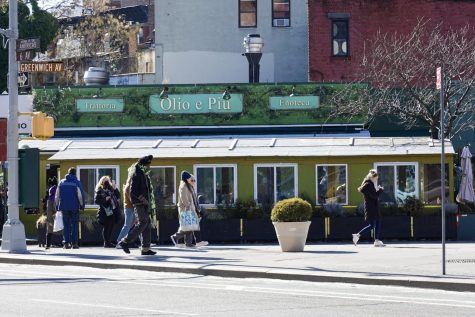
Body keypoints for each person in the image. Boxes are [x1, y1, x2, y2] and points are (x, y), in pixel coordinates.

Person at [118, 155, 156, 255]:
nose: (149, 167)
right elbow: (132, 191)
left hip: (145, 203)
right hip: (139, 203)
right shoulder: (137, 173)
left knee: (146, 223)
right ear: (144, 164)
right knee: (143, 222)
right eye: (148, 165)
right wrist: (143, 200)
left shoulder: (144, 173)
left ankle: (145, 248)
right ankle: (125, 241)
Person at [170, 171, 208, 248]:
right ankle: (175, 237)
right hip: (186, 209)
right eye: (188, 178)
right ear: (185, 178)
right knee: (188, 226)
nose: (189, 179)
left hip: (189, 209)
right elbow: (183, 197)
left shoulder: (187, 186)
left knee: (189, 226)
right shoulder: (183, 186)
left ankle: (188, 243)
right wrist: (188, 206)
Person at [352, 169, 385, 247]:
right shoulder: (368, 185)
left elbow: (372, 195)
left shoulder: (369, 184)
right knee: (372, 225)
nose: (376, 180)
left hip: (372, 207)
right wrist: (380, 190)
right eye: (375, 178)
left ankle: (376, 240)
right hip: (371, 208)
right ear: (371, 177)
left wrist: (377, 190)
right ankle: (357, 236)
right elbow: (374, 196)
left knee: (376, 223)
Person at [55, 167, 85, 249]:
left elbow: (57, 195)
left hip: (64, 207)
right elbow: (80, 195)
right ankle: (74, 243)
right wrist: (82, 205)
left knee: (66, 225)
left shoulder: (61, 182)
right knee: (74, 225)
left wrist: (57, 206)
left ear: (68, 173)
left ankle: (66, 243)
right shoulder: (77, 183)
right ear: (75, 174)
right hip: (74, 207)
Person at [94, 176, 120, 248]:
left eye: (108, 181)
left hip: (112, 210)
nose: (106, 182)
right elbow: (97, 201)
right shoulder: (99, 189)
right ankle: (106, 242)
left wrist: (115, 189)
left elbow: (118, 196)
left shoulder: (112, 188)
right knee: (106, 227)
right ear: (101, 182)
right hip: (104, 211)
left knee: (111, 226)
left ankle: (109, 242)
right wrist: (105, 199)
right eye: (105, 181)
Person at [45, 178, 58, 249]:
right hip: (56, 216)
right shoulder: (57, 198)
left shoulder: (49, 199)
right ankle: (63, 243)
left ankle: (48, 245)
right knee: (60, 228)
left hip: (50, 218)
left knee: (49, 229)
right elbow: (55, 209)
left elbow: (49, 211)